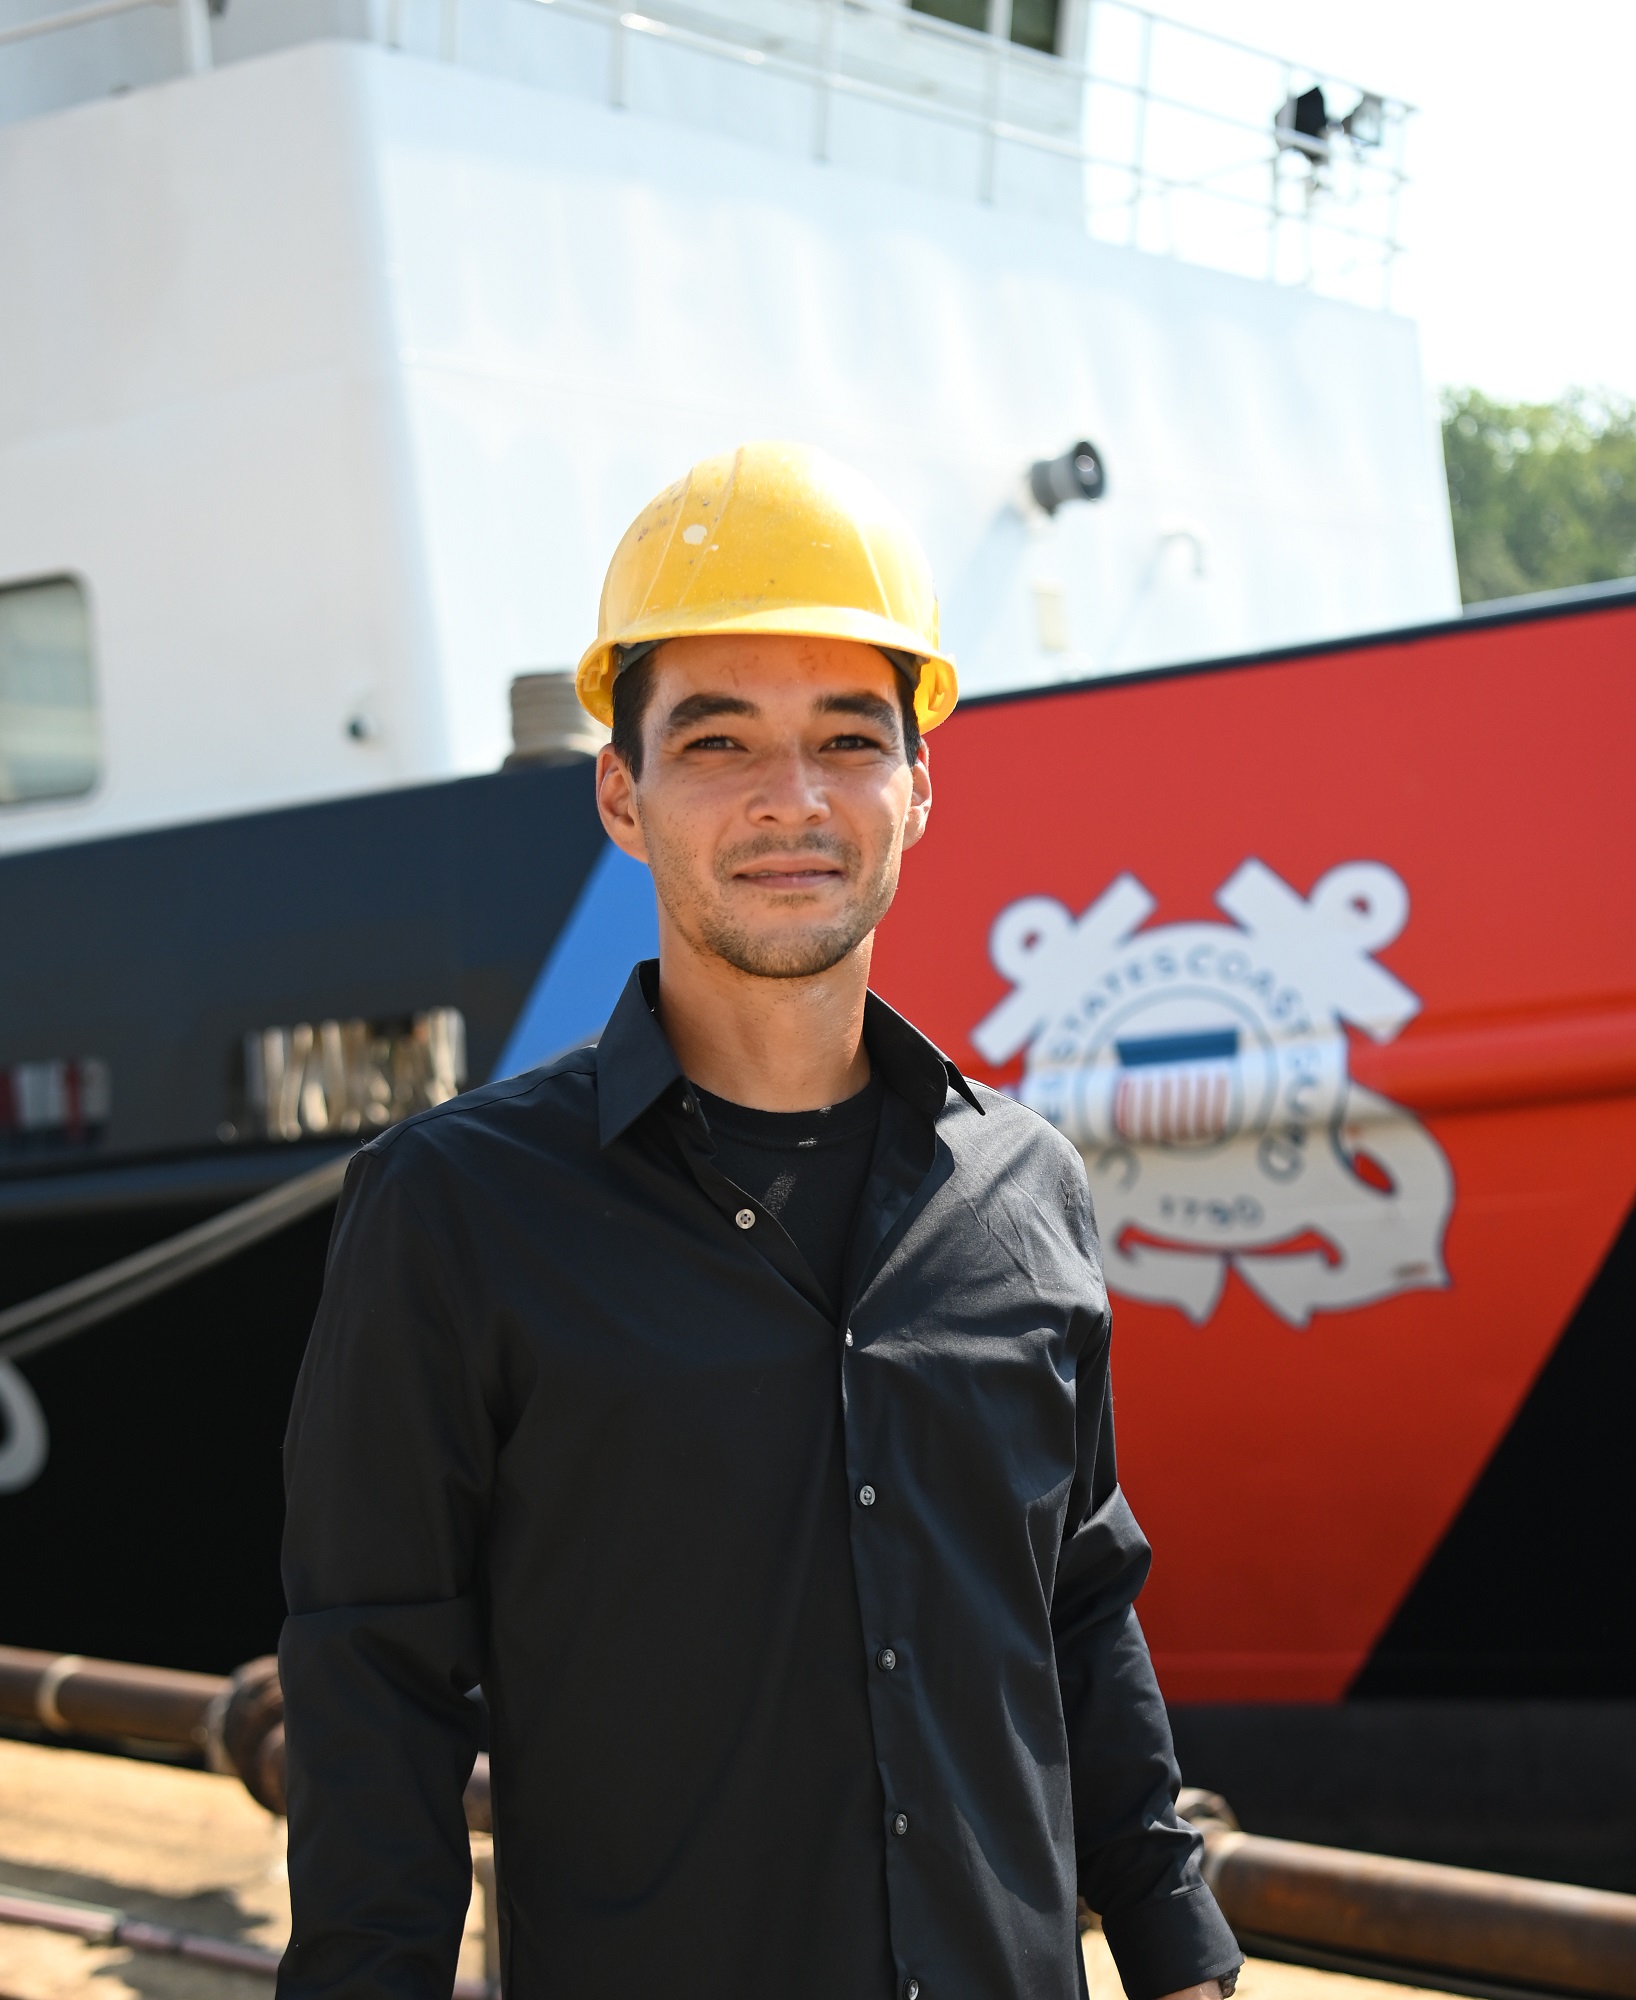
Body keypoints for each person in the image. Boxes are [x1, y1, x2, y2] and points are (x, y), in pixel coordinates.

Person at [277, 442, 1242, 2000]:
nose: (792, 800)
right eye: (717, 741)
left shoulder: (1027, 1189)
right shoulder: (454, 1212)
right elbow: (370, 1687)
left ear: (918, 789)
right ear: (621, 793)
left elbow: (1077, 1606)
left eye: (848, 739)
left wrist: (1178, 1953)